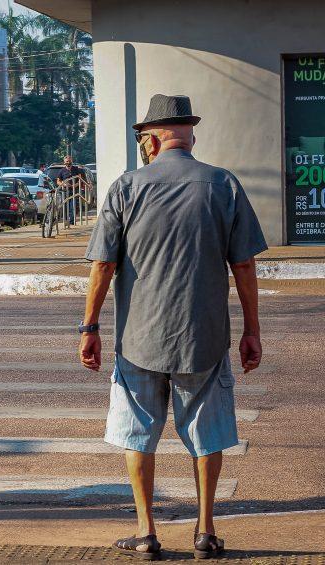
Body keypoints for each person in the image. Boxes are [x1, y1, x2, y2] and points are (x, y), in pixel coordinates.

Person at [79, 94, 267, 560]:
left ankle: (146, 533)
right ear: (189, 135)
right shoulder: (223, 185)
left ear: (153, 137)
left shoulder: (126, 187)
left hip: (138, 339)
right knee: (210, 432)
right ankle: (205, 531)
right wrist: (251, 331)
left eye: (143, 138)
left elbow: (102, 266)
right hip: (204, 337)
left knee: (138, 433)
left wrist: (89, 327)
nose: (142, 146)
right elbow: (243, 265)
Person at [56, 155, 86, 224]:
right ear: (64, 162)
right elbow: (58, 181)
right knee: (66, 206)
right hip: (65, 191)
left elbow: (80, 178)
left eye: (69, 161)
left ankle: (72, 221)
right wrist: (64, 184)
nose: (68, 163)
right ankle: (66, 220)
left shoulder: (76, 169)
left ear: (72, 161)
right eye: (67, 161)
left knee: (73, 206)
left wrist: (76, 185)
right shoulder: (62, 171)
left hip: (74, 191)